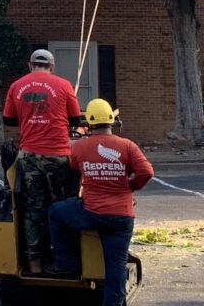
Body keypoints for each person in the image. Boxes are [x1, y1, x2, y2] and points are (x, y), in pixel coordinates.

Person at [47, 98, 154, 306]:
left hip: (91, 213)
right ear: (112, 121)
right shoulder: (128, 146)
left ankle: (66, 263)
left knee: (55, 211)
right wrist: (130, 187)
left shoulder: (79, 147)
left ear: (89, 122)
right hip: (121, 217)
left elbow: (74, 168)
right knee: (116, 266)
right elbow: (146, 172)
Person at [2, 48, 82, 274]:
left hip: (29, 156)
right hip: (58, 155)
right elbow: (75, 120)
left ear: (30, 65)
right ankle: (63, 260)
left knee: (32, 210)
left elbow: (9, 120)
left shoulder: (17, 86)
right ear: (52, 66)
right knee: (61, 207)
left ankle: (34, 263)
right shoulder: (64, 85)